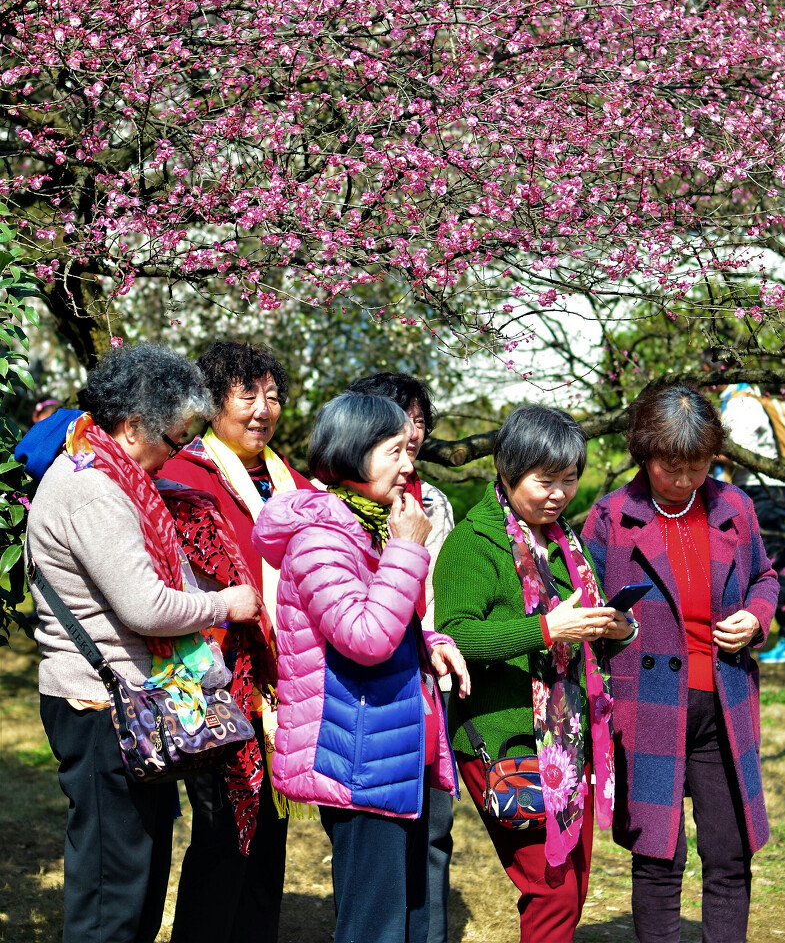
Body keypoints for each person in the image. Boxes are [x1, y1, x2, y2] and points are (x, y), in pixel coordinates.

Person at [26, 343, 262, 943]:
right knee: (112, 891)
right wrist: (226, 604)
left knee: (139, 876)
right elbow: (147, 606)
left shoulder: (112, 474)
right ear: (133, 428)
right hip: (100, 708)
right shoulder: (90, 489)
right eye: (176, 438)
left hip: (131, 708)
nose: (179, 452)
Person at [252, 393, 470, 943]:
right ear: (353, 453)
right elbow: (365, 638)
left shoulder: (366, 525)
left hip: (394, 746)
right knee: (375, 926)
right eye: (395, 450)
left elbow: (387, 621)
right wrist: (406, 550)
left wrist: (431, 641)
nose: (409, 464)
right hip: (357, 757)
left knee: (416, 918)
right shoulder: (320, 537)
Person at [582, 384, 779, 943]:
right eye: (672, 468)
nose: (686, 481)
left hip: (725, 703)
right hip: (648, 708)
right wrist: (608, 628)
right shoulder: (611, 518)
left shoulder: (734, 507)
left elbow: (765, 578)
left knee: (729, 853)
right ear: (645, 455)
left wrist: (756, 618)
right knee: (658, 859)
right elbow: (581, 607)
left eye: (697, 467)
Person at [434, 403, 635, 943]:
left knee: (573, 883)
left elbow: (579, 621)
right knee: (551, 888)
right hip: (506, 741)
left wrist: (617, 629)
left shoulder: (567, 541)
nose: (559, 494)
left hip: (568, 740)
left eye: (570, 479)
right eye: (544, 480)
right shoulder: (473, 545)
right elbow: (458, 637)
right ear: (506, 469)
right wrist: (546, 629)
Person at [160, 340, 314, 943]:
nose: (262, 410)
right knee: (223, 829)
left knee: (271, 836)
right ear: (210, 403)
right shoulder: (182, 476)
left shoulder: (292, 483)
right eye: (246, 395)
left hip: (283, 684)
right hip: (215, 680)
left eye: (272, 396)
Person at [347, 372, 456, 943]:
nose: (411, 432)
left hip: (426, 673)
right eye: (397, 418)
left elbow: (436, 592)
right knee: (376, 850)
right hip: (370, 688)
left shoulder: (432, 501)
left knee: (434, 830)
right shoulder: (337, 512)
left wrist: (437, 643)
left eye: (417, 419)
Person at [717, 382, 785, 663]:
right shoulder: (758, 394)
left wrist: (705, 450)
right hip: (769, 488)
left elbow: (741, 451)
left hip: (759, 488)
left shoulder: (740, 400)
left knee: (771, 564)